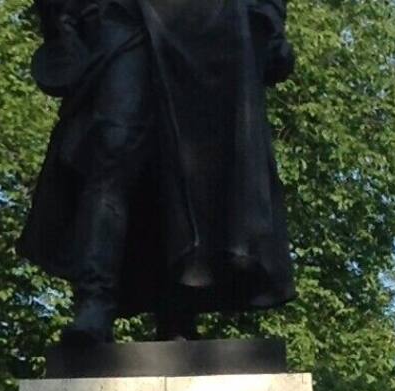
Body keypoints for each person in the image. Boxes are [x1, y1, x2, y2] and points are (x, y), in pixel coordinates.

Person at [19, 0, 298, 345]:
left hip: (211, 26)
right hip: (124, 15)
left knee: (193, 164)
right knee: (113, 146)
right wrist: (61, 20)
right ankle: (95, 299)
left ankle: (178, 309)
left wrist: (270, 21)